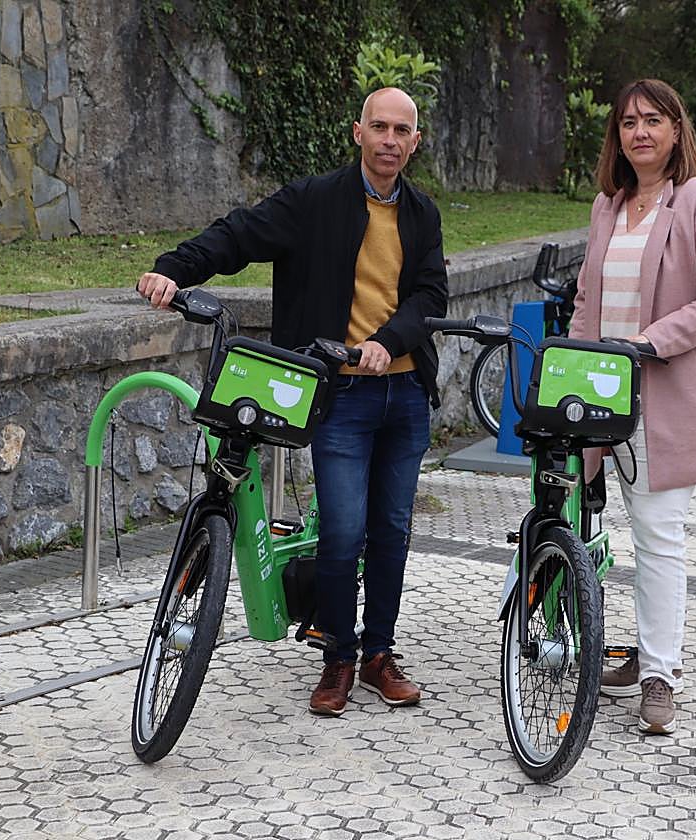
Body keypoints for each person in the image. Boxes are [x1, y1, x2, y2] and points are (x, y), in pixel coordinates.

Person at [136, 87, 448, 716]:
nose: (390, 140)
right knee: (341, 531)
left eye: (402, 131)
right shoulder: (313, 201)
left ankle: (379, 656)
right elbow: (238, 235)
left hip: (405, 393)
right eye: (379, 127)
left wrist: (388, 343)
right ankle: (339, 658)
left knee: (390, 531)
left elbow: (430, 295)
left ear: (416, 141)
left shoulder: (422, 213)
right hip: (342, 394)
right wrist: (175, 268)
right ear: (357, 132)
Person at [568, 79, 696, 734]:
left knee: (658, 535)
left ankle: (660, 676)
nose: (639, 132)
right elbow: (588, 303)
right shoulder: (606, 205)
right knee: (584, 523)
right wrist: (573, 376)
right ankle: (640, 650)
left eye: (653, 120)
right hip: (598, 392)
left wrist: (649, 341)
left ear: (676, 131)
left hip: (662, 397)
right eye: (628, 123)